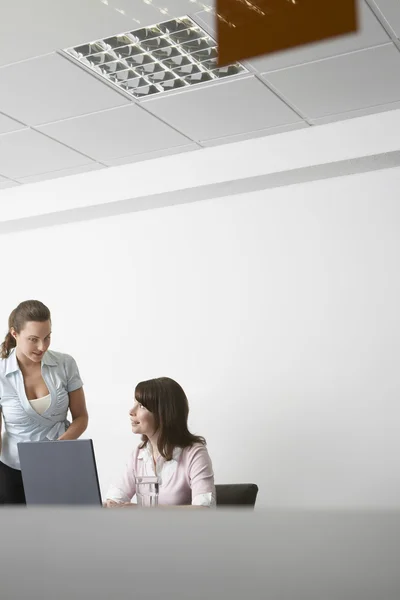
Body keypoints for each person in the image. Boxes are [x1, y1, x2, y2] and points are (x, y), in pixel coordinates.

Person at [0, 299, 89, 504]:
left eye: (47, 338)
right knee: (14, 534)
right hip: (12, 471)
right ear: (15, 334)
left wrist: (58, 449)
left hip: (59, 466)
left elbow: (81, 417)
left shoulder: (65, 364)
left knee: (61, 532)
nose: (42, 347)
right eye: (33, 339)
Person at [105, 377, 216, 508]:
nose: (131, 411)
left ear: (163, 413)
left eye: (141, 406)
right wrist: (106, 505)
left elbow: (205, 510)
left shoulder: (194, 453)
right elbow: (115, 499)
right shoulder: (138, 455)